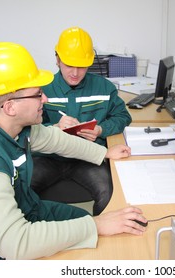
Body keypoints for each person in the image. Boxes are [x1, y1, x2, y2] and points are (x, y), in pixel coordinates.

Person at [0, 42, 146, 260]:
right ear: (10, 107)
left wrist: (103, 153)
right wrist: (97, 225)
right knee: (90, 244)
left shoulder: (9, 124)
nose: (45, 99)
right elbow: (16, 244)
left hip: (26, 208)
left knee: (90, 225)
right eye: (38, 94)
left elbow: (55, 139)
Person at [31, 27, 132, 215]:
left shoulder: (104, 87)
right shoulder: (42, 89)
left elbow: (123, 116)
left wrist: (101, 130)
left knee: (110, 194)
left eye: (82, 66)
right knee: (20, 191)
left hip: (89, 158)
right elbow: (28, 129)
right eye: (69, 64)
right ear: (57, 59)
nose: (75, 72)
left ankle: (105, 236)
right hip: (48, 158)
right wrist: (53, 127)